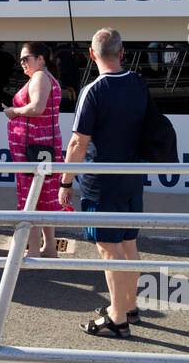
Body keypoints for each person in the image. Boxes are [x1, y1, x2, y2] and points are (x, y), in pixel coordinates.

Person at [59, 29, 149, 340]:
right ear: (122, 52)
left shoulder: (93, 91)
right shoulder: (137, 82)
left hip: (103, 183)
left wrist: (65, 181)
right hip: (132, 179)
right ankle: (129, 305)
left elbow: (76, 144)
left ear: (92, 54)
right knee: (128, 243)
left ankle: (117, 318)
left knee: (108, 249)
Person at [3, 42, 64, 258]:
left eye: (25, 58)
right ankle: (47, 248)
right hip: (42, 145)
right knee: (44, 195)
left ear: (41, 59)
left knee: (33, 197)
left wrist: (13, 111)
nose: (22, 63)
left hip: (34, 147)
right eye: (20, 59)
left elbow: (37, 107)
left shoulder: (39, 77)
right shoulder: (45, 77)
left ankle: (35, 251)